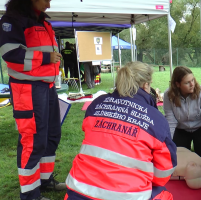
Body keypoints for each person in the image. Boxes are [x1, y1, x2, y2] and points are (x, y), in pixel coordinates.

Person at [65, 61, 177, 200]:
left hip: (78, 192)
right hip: (126, 195)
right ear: (146, 85)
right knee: (165, 195)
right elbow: (163, 174)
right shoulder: (156, 120)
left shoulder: (96, 105)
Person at [0, 0, 65, 199]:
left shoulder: (42, 22)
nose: (49, 4)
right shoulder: (12, 20)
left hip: (47, 86)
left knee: (51, 136)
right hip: (28, 88)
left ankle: (44, 181)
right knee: (32, 140)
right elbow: (10, 53)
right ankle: (29, 194)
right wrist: (47, 58)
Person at [163, 66, 201, 166]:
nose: (192, 84)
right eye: (187, 82)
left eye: (192, 80)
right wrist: (168, 142)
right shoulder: (168, 95)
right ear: (177, 84)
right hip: (181, 128)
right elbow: (170, 120)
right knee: (178, 159)